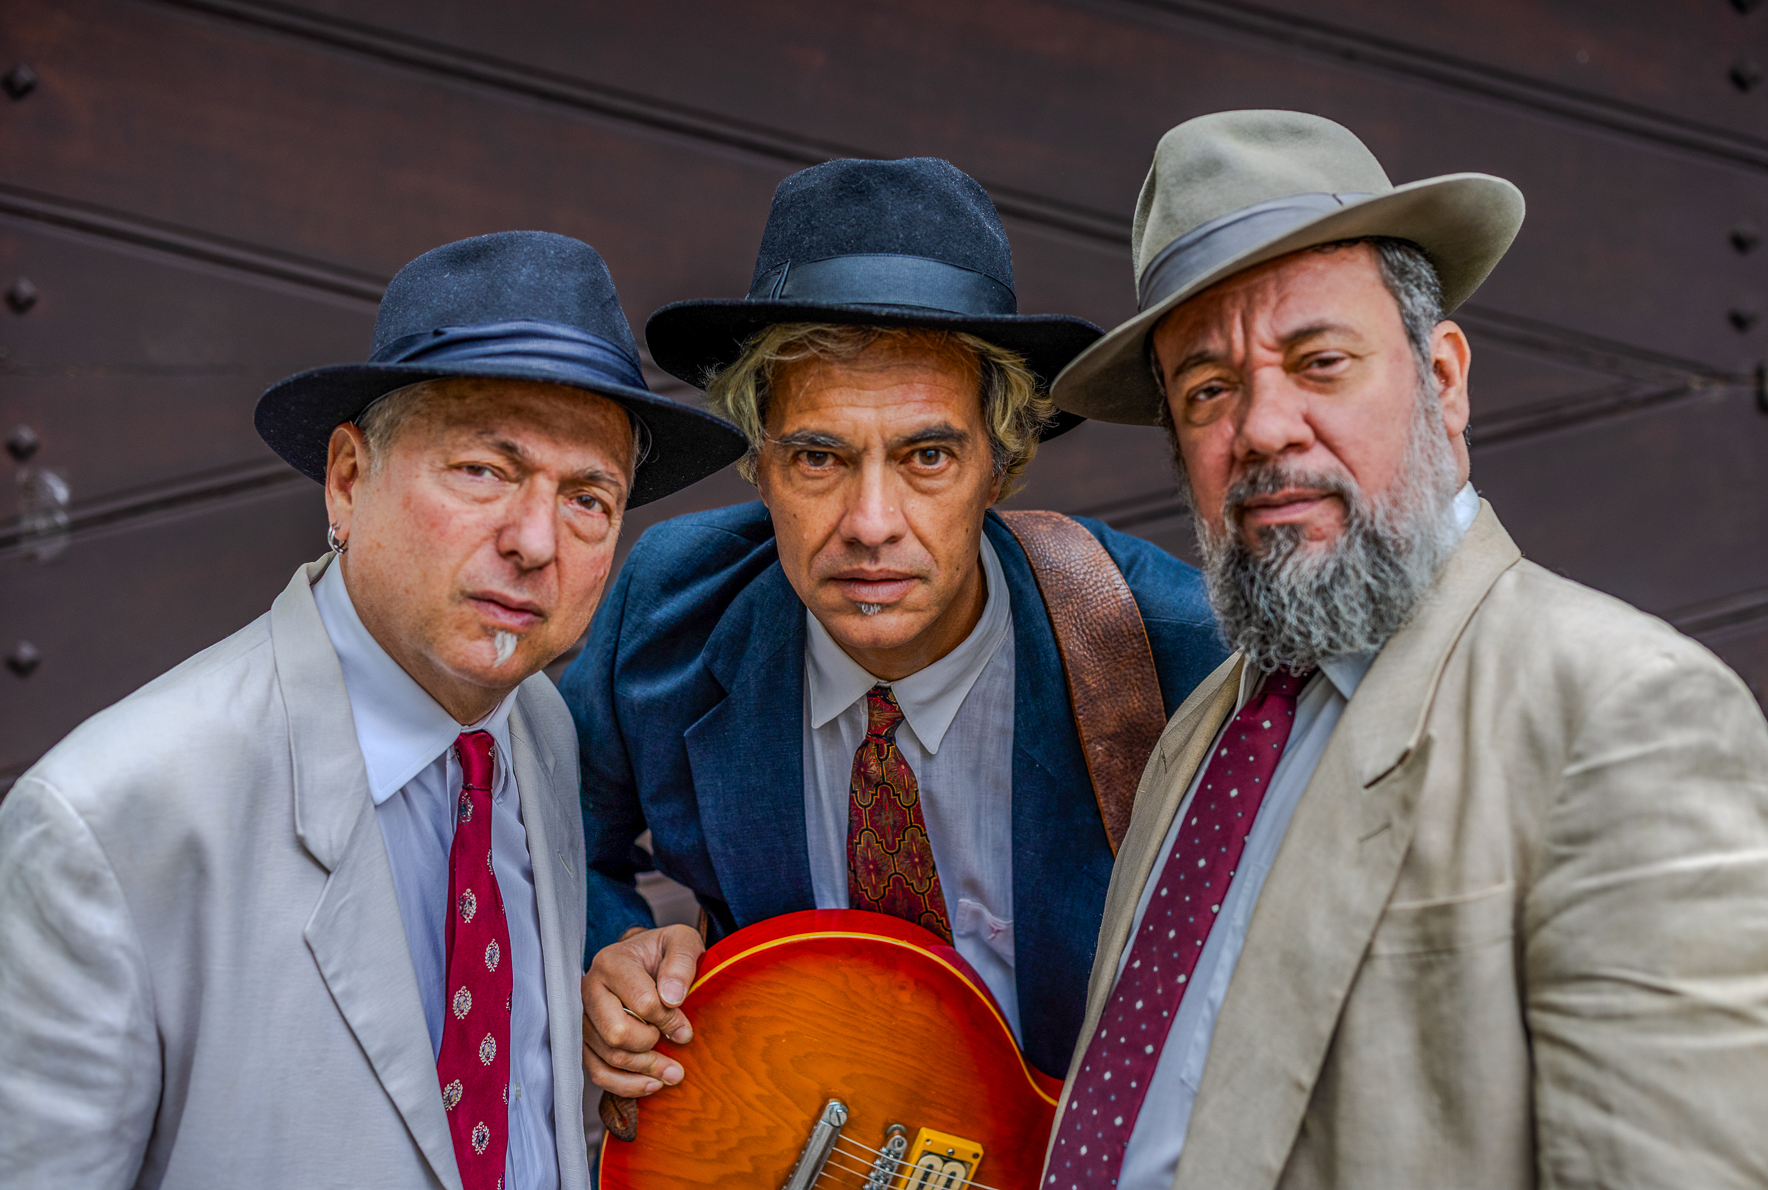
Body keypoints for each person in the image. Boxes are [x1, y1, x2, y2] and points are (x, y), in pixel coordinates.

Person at [1040, 109, 1768, 1190]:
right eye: (1208, 389)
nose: (1265, 426)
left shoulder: (1623, 706)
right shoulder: (1203, 729)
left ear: (1443, 376)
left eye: (1320, 360)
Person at [0, 231, 746, 1190]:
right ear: (348, 480)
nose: (532, 541)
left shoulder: (538, 734)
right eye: (484, 469)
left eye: (588, 498)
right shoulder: (107, 822)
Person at [560, 157, 1229, 1099]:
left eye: (927, 456)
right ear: (758, 463)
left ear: (1000, 464)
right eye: (818, 458)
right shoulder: (672, 613)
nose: (871, 523)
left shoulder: (1176, 646)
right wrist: (619, 953)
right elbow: (552, 836)